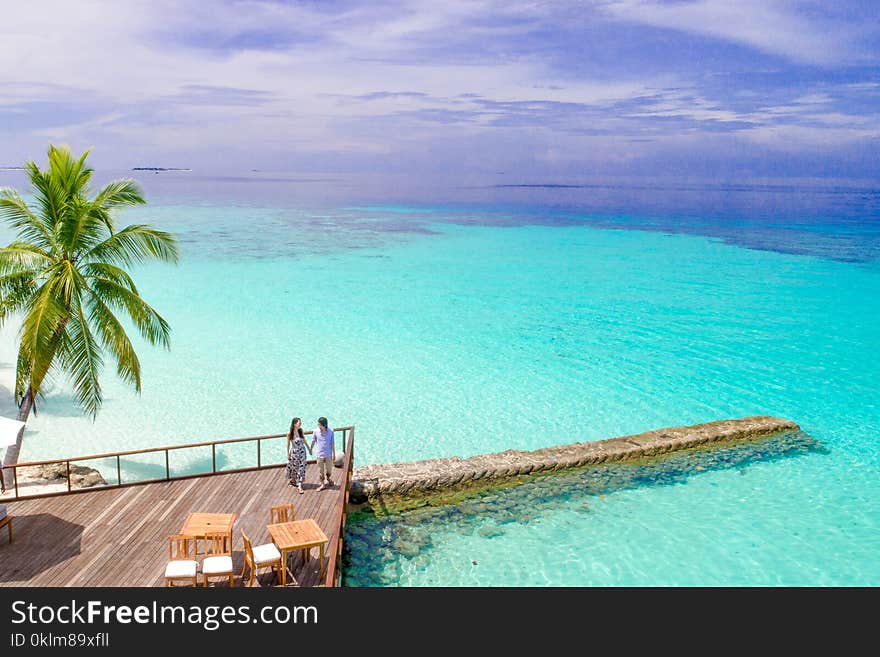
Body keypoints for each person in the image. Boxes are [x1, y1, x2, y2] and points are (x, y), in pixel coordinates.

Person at [285, 417, 310, 494]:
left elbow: (304, 440)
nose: (300, 424)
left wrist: (309, 448)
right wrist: (288, 454)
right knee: (294, 468)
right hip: (295, 453)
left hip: (302, 452)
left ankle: (299, 485)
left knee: (301, 468)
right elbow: (288, 445)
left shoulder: (301, 431)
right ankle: (293, 480)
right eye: (299, 422)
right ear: (294, 424)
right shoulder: (289, 434)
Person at [310, 417, 335, 491]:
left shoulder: (331, 431)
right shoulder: (315, 431)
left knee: (329, 469)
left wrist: (334, 453)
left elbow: (332, 443)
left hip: (328, 454)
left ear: (324, 425)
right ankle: (322, 484)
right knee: (321, 471)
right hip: (319, 454)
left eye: (319, 424)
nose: (318, 425)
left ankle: (328, 478)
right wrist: (311, 449)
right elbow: (313, 441)